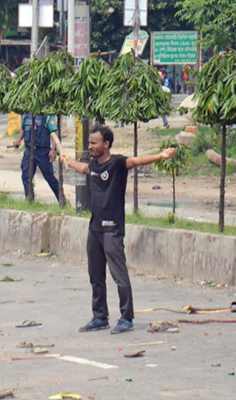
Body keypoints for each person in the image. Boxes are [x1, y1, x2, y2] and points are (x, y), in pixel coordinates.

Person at [60, 125, 176, 334]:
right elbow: (83, 168)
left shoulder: (118, 163)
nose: (90, 146)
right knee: (95, 275)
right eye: (89, 143)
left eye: (94, 143)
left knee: (119, 275)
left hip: (112, 229)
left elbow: (137, 161)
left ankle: (126, 318)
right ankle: (100, 317)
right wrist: (68, 161)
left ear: (106, 144)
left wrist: (161, 155)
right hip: (94, 228)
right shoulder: (94, 165)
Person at [13, 113, 60, 202]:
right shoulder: (26, 114)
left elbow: (53, 133)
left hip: (43, 151)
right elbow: (23, 128)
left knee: (49, 177)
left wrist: (53, 149)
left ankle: (62, 200)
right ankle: (30, 201)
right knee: (26, 176)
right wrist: (18, 140)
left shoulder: (47, 115)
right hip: (29, 150)